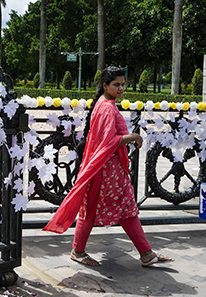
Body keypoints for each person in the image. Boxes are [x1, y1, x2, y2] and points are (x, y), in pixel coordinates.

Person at [44, 66, 173, 268]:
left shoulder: (105, 104)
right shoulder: (106, 107)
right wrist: (134, 137)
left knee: (123, 208)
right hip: (105, 169)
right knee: (107, 208)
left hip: (106, 168)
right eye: (116, 84)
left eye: (123, 84)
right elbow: (107, 141)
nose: (121, 88)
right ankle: (79, 251)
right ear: (105, 85)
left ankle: (145, 253)